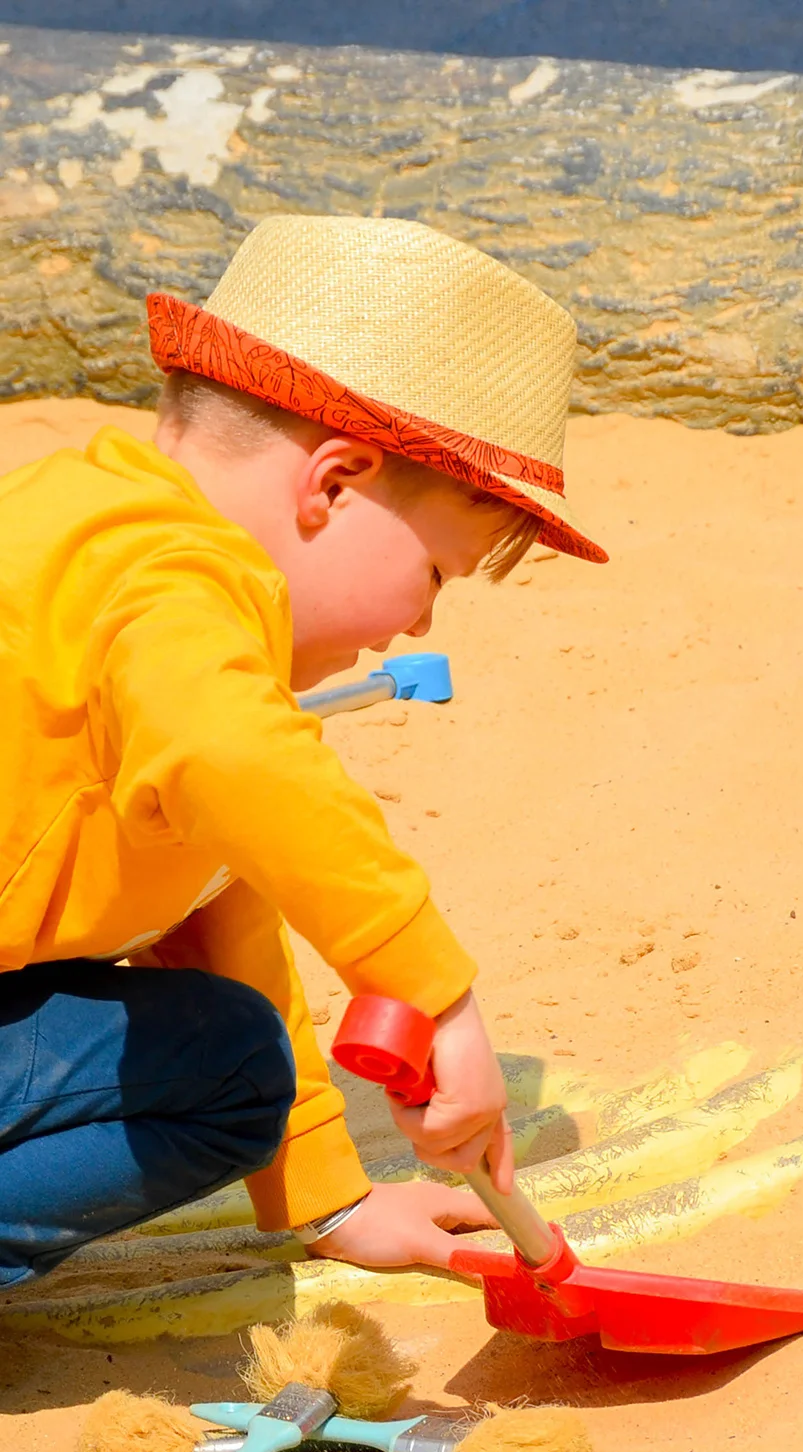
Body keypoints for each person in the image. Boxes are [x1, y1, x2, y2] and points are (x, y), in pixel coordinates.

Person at [0, 214, 608, 1287]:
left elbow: (214, 887)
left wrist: (329, 1198)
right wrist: (436, 994)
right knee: (233, 1068)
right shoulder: (163, 575)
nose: (420, 627)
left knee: (230, 1051)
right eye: (433, 574)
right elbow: (238, 760)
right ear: (332, 484)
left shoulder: (90, 537)